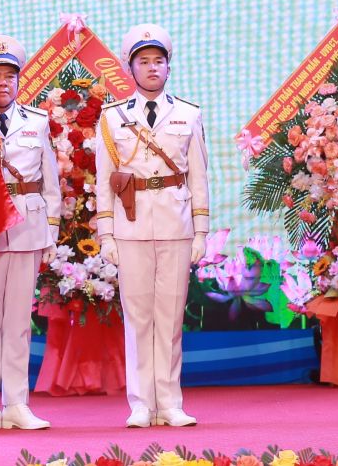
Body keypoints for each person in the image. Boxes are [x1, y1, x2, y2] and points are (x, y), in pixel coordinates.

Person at [94, 24, 210, 428]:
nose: (152, 68)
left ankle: (170, 402)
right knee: (139, 317)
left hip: (176, 224)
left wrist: (201, 231)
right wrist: (106, 234)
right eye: (143, 61)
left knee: (170, 317)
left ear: (168, 67)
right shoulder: (112, 117)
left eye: (158, 61)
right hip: (131, 225)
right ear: (131, 69)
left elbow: (199, 177)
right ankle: (141, 403)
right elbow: (104, 179)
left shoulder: (188, 114)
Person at [0, 36, 59, 431]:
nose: (2, 82)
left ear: (19, 80)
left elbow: (50, 182)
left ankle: (18, 403)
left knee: (19, 321)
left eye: (9, 75)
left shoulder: (36, 122)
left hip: (27, 228)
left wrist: (51, 232)